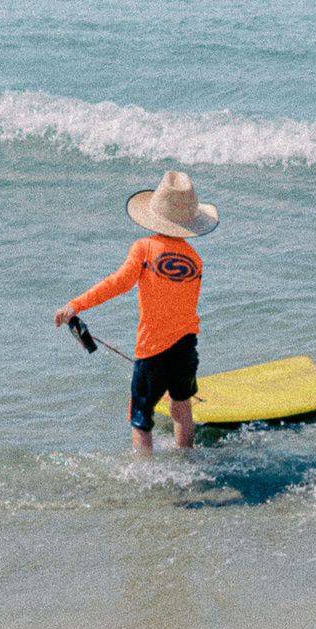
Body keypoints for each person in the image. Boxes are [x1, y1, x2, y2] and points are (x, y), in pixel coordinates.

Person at [55, 170, 215, 452]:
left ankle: (145, 476)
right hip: (186, 346)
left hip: (152, 347)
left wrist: (75, 305)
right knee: (181, 406)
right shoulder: (195, 259)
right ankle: (187, 461)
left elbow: (118, 283)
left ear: (156, 216)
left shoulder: (144, 248)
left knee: (140, 417)